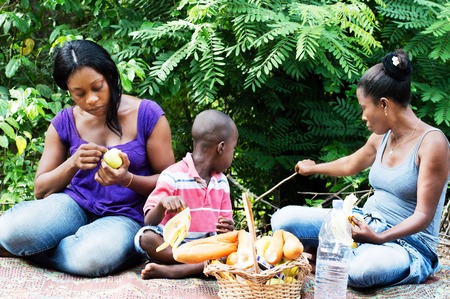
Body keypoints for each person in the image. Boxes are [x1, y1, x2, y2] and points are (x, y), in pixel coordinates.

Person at [271, 49, 450, 288]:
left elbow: (423, 216)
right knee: (283, 220)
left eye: (364, 107)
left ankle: (328, 256)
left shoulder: (433, 143)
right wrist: (313, 168)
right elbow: (350, 163)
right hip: (364, 224)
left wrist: (379, 238)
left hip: (407, 244)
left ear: (384, 104)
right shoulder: (383, 137)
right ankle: (341, 251)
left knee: (363, 271)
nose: (363, 116)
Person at [0, 40, 176, 277]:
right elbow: (41, 190)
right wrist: (72, 163)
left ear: (110, 76)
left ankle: (44, 251)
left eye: (97, 87)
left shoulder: (148, 115)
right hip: (74, 205)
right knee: (10, 231)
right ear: (68, 91)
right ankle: (65, 246)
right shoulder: (64, 122)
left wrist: (127, 179)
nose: (91, 99)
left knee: (90, 258)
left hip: (126, 216)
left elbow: (172, 182)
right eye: (79, 94)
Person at [134, 109, 238, 279]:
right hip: (173, 246)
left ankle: (177, 270)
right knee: (146, 238)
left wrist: (228, 229)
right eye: (233, 149)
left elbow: (225, 232)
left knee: (234, 247)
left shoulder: (222, 183)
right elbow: (149, 221)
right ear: (221, 147)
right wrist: (162, 204)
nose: (232, 155)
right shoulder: (173, 175)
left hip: (204, 247)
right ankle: (199, 266)